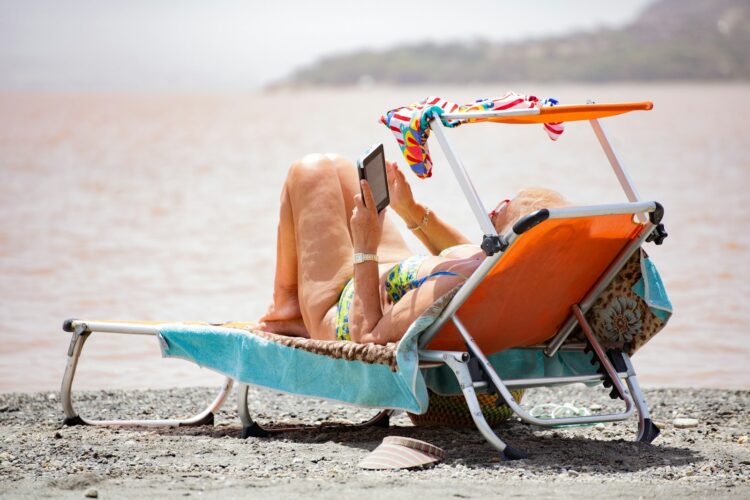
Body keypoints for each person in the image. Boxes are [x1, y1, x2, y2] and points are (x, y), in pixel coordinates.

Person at [258, 153, 566, 344]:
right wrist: (408, 208)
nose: (491, 212)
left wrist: (365, 243)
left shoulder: (455, 285)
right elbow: (460, 250)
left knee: (309, 170)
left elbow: (368, 336)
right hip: (394, 271)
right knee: (340, 167)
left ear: (512, 235)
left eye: (502, 209)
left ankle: (287, 306)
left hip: (343, 307)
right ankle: (289, 306)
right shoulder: (499, 268)